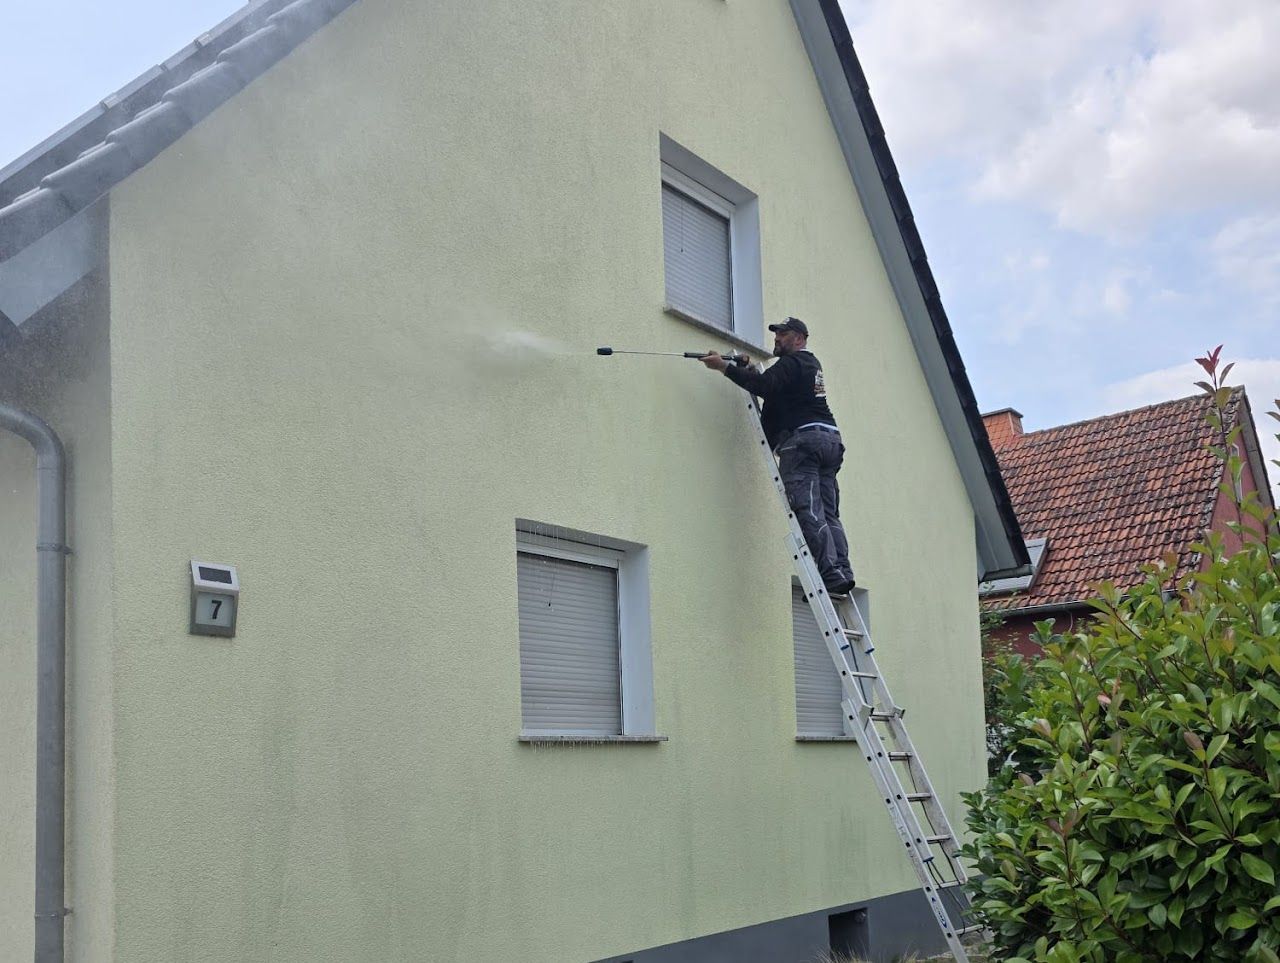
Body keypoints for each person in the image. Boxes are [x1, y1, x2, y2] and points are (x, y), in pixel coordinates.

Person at [699, 317, 856, 596]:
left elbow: (764, 387)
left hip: (804, 442)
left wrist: (724, 367)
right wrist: (746, 367)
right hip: (829, 440)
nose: (777, 338)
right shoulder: (809, 365)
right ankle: (842, 570)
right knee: (829, 513)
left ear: (800, 339)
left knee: (809, 509)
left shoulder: (793, 362)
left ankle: (829, 573)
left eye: (784, 334)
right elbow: (776, 390)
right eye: (777, 334)